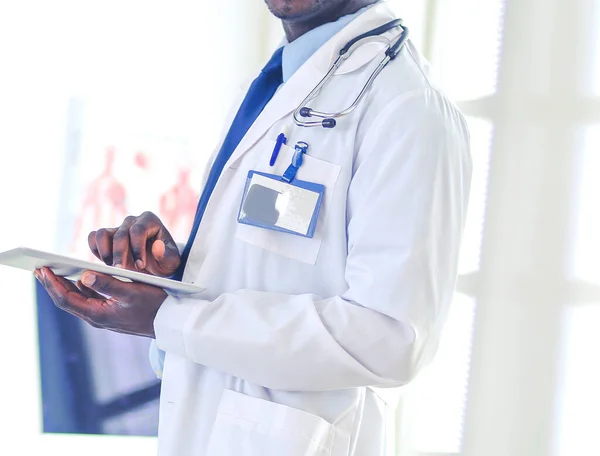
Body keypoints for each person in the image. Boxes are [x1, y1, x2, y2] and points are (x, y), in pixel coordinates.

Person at [35, 0, 472, 454]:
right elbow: (279, 255)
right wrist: (177, 273)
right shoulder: (282, 83)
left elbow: (388, 338)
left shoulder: (411, 109)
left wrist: (171, 316)